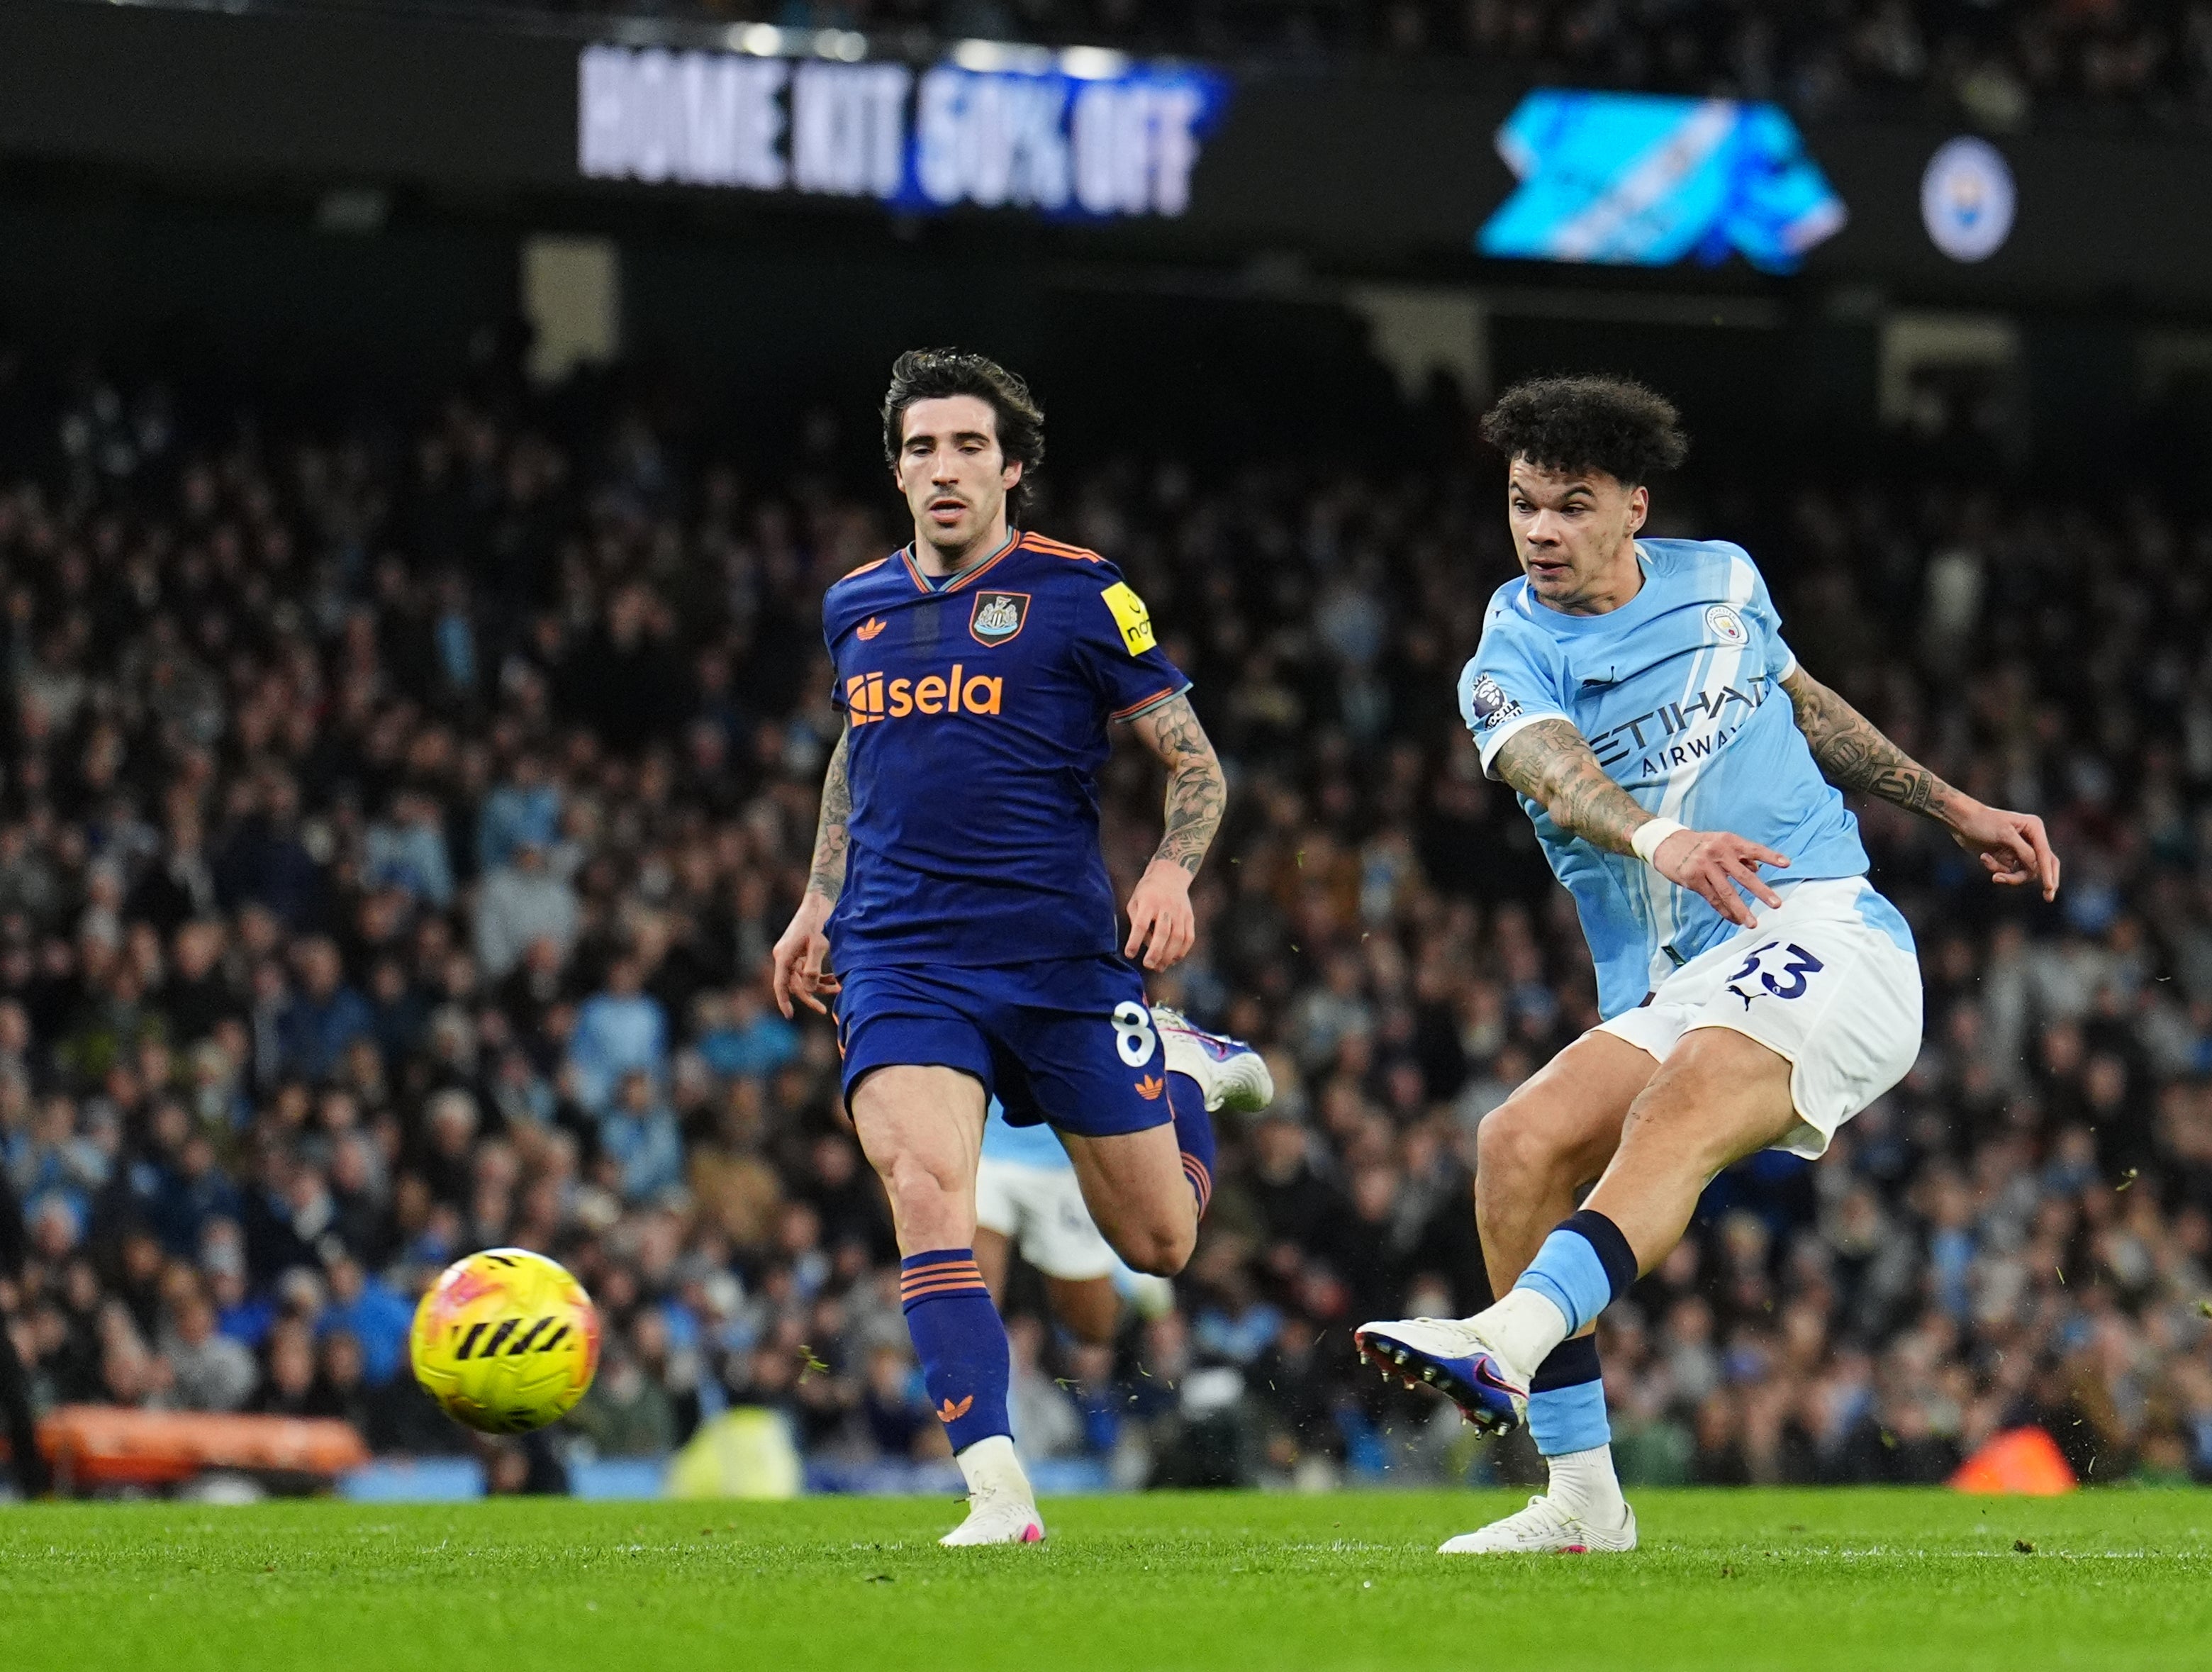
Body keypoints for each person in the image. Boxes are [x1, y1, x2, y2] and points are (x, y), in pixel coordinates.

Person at [1355, 376, 2059, 1554]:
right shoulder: (1511, 642)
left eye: (1572, 506)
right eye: (1524, 502)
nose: (1540, 531)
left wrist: (1953, 806)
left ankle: (1505, 1340)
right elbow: (1547, 766)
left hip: (1827, 930)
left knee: (1681, 1103)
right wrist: (1661, 837)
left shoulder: (1725, 577)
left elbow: (1806, 704)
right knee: (1517, 1146)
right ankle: (1582, 1502)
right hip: (1678, 974)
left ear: (1635, 506)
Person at [771, 349, 1232, 1546]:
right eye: (922, 447)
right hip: (902, 957)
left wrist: (1172, 866)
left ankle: (1185, 1068)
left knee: (1159, 1242)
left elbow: (1192, 758)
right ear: (897, 468)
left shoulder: (1083, 594)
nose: (943, 468)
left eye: (968, 446)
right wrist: (821, 896)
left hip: (1060, 962)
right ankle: (996, 1486)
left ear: (1012, 467)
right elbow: (857, 746)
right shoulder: (856, 605)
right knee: (927, 1192)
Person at [975, 1007, 1275, 1346]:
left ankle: (1183, 1069)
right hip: (981, 1140)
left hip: (1068, 1150)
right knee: (966, 1313)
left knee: (1096, 1324)